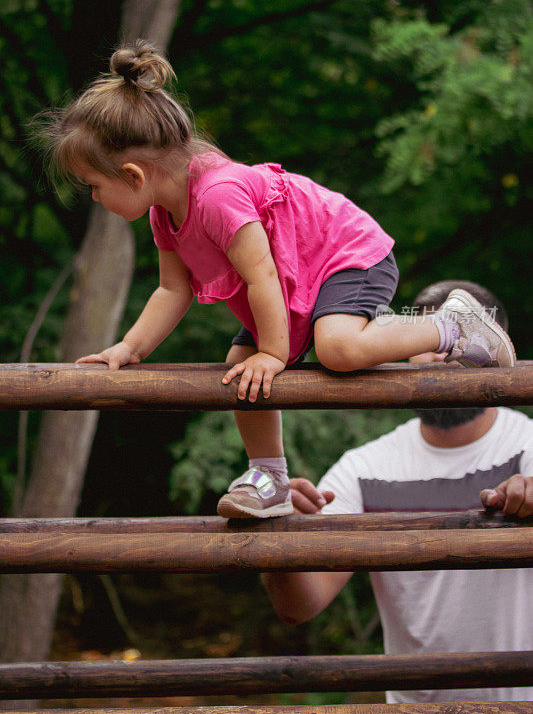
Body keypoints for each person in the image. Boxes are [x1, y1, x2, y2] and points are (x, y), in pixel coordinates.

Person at [40, 40, 516, 519]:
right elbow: (172, 290)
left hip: (340, 252)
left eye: (94, 187)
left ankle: (452, 325)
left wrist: (274, 352)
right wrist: (130, 348)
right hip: (288, 281)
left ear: (133, 175)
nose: (95, 199)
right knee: (240, 364)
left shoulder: (218, 195)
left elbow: (262, 272)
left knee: (338, 349)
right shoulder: (164, 216)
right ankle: (270, 478)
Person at [262, 280, 533, 703]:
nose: (445, 352)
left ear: (499, 345)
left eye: (464, 334)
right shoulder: (366, 467)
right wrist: (276, 536)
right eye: (436, 335)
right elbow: (299, 605)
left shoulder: (530, 447)